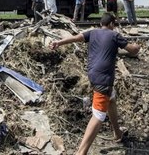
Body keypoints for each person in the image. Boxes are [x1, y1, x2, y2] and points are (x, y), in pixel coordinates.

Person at [50, 13, 140, 154]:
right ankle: (81, 152)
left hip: (93, 75)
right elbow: (133, 51)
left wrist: (58, 42)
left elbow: (75, 38)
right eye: (114, 24)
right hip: (103, 79)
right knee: (98, 115)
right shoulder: (114, 35)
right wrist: (137, 46)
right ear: (111, 24)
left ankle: (117, 133)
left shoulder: (92, 33)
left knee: (111, 99)